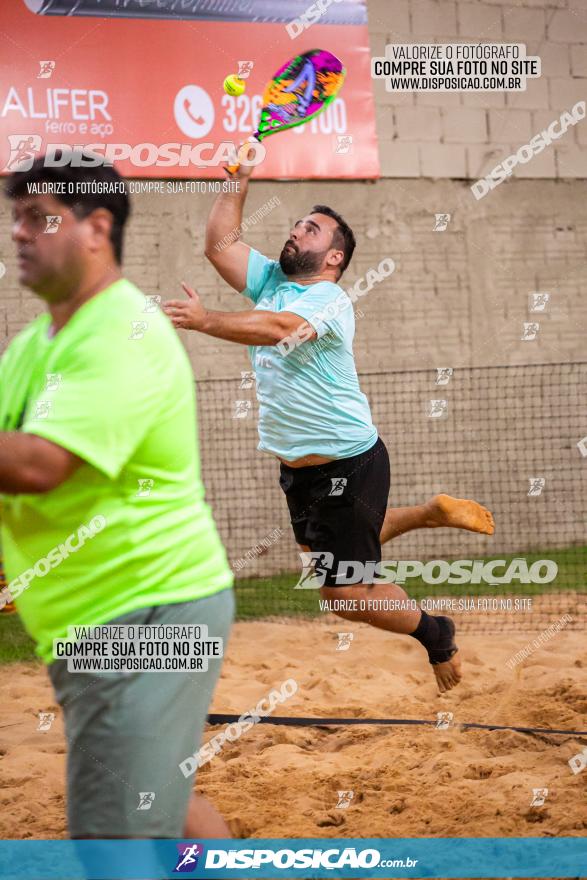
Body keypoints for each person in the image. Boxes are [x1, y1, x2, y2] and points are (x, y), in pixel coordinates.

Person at [163, 149, 495, 694]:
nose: (296, 232)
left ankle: (437, 632)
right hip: (300, 470)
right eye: (296, 225)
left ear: (334, 256)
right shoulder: (271, 279)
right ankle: (428, 512)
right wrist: (239, 182)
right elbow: (218, 245)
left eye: (310, 230)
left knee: (345, 596)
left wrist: (206, 322)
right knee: (335, 554)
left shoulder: (329, 299)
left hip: (349, 462)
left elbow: (278, 329)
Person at [0, 152, 233, 839]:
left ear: (97, 227)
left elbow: (42, 464)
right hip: (98, 618)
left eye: (38, 217)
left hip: (147, 616)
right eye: (14, 218)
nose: (18, 232)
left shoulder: (121, 331)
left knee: (114, 835)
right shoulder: (33, 345)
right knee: (163, 805)